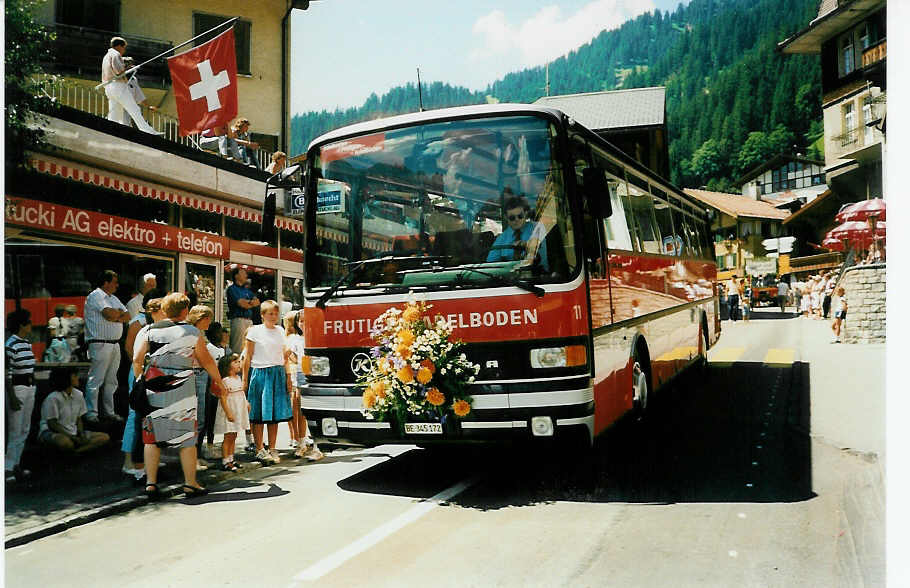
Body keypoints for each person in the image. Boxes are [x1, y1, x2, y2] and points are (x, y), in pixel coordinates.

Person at [132, 292, 225, 499]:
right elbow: (207, 361)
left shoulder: (148, 330)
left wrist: (140, 379)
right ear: (185, 311)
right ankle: (190, 484)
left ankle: (151, 484)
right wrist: (219, 381)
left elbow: (137, 359)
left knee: (151, 438)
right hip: (183, 385)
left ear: (164, 310)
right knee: (186, 437)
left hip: (154, 384)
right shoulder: (191, 332)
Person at [242, 300, 293, 464]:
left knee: (273, 415)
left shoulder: (280, 330)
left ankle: (272, 448)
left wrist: (288, 376)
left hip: (277, 373)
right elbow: (248, 357)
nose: (274, 317)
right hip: (260, 373)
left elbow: (284, 355)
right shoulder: (255, 331)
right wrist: (245, 379)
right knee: (258, 414)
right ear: (262, 315)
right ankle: (259, 448)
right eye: (270, 313)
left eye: (276, 313)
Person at [121, 297, 164, 481]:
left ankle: (146, 460)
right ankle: (129, 461)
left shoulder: (159, 328)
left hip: (150, 375)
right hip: (141, 374)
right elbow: (131, 351)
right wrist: (141, 376)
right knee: (135, 416)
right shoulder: (140, 324)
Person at [83, 270, 130, 424]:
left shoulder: (113, 298)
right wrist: (117, 315)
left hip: (114, 344)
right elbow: (109, 314)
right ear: (106, 282)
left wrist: (116, 315)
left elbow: (127, 316)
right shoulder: (96, 295)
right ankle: (91, 412)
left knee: (111, 380)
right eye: (114, 282)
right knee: (96, 379)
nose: (117, 285)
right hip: (100, 342)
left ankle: (108, 412)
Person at [38, 368, 110, 455]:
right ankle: (79, 450)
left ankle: (77, 452)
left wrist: (81, 434)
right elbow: (52, 424)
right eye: (74, 376)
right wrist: (72, 437)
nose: (77, 378)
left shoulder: (79, 394)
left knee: (104, 437)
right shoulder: (53, 398)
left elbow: (79, 419)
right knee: (65, 443)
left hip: (73, 431)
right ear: (66, 379)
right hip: (52, 432)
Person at [186, 305, 223, 470]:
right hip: (197, 374)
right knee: (198, 417)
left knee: (201, 417)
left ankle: (197, 456)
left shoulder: (197, 334)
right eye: (207, 318)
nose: (209, 322)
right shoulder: (193, 334)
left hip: (201, 375)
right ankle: (193, 458)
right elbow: (205, 360)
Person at [101, 37, 161, 135]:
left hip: (108, 86)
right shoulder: (116, 54)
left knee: (114, 113)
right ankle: (148, 131)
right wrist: (129, 68)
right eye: (124, 47)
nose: (124, 50)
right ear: (119, 46)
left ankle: (110, 131)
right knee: (134, 109)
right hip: (118, 85)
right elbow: (118, 72)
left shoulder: (107, 56)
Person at [287, 310, 324, 461]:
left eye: (305, 321)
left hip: (314, 375)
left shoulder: (317, 337)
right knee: (299, 410)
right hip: (300, 375)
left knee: (314, 411)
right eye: (300, 321)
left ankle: (318, 447)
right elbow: (288, 354)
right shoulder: (295, 339)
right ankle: (301, 443)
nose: (303, 324)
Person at [6, 310, 36, 481]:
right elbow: (6, 374)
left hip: (30, 388)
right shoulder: (10, 345)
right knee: (15, 430)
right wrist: (12, 396)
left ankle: (16, 464)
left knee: (24, 429)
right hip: (18, 389)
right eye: (29, 322)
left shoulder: (26, 343)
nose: (31, 325)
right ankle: (8, 468)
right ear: (21, 325)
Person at [486, 194, 548, 271]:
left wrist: (526, 245)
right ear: (506, 217)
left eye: (520, 216)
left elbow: (536, 249)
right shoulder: (502, 238)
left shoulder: (537, 228)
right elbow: (490, 264)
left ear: (525, 214)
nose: (516, 220)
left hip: (539, 276)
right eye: (512, 218)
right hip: (510, 279)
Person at [201, 321, 230, 459]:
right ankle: (208, 446)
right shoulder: (208, 348)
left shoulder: (224, 349)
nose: (220, 334)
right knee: (209, 417)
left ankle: (216, 446)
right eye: (217, 332)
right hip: (210, 386)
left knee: (218, 416)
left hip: (221, 385)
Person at [214, 353, 247, 471]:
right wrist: (228, 413)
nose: (239, 364)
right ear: (227, 366)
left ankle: (231, 458)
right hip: (230, 410)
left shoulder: (238, 378)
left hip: (237, 410)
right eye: (236, 362)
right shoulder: (225, 381)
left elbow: (241, 394)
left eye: (239, 361)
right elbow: (223, 399)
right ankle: (225, 461)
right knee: (228, 436)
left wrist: (246, 403)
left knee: (234, 434)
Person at [226, 268, 260, 354]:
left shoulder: (247, 290)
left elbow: (257, 302)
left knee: (249, 348)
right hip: (238, 320)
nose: (246, 275)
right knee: (237, 348)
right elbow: (241, 304)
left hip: (249, 320)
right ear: (236, 276)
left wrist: (247, 303)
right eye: (243, 273)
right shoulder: (232, 289)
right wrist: (250, 302)